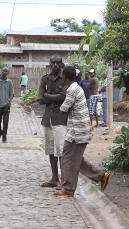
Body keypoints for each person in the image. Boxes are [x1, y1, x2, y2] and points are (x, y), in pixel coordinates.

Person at [53, 66, 111, 197]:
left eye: (62, 76)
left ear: (66, 77)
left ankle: (68, 189)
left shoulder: (72, 89)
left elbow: (64, 108)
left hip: (78, 131)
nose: (61, 78)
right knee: (75, 159)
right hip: (77, 130)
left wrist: (53, 98)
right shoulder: (75, 87)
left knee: (68, 159)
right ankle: (101, 175)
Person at [38, 55, 67, 188]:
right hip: (48, 118)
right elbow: (40, 98)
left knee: (61, 150)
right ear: (49, 64)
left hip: (61, 119)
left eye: (58, 63)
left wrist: (47, 96)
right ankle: (55, 178)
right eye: (53, 62)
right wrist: (55, 97)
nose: (55, 65)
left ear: (61, 64)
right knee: (50, 150)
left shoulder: (66, 79)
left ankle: (64, 180)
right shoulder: (44, 79)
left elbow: (64, 98)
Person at [0, 67, 13, 143]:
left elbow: (11, 94)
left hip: (6, 105)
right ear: (1, 71)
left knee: (5, 121)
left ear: (8, 73)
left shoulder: (9, 82)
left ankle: (4, 136)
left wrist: (9, 102)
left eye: (6, 71)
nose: (5, 72)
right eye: (3, 71)